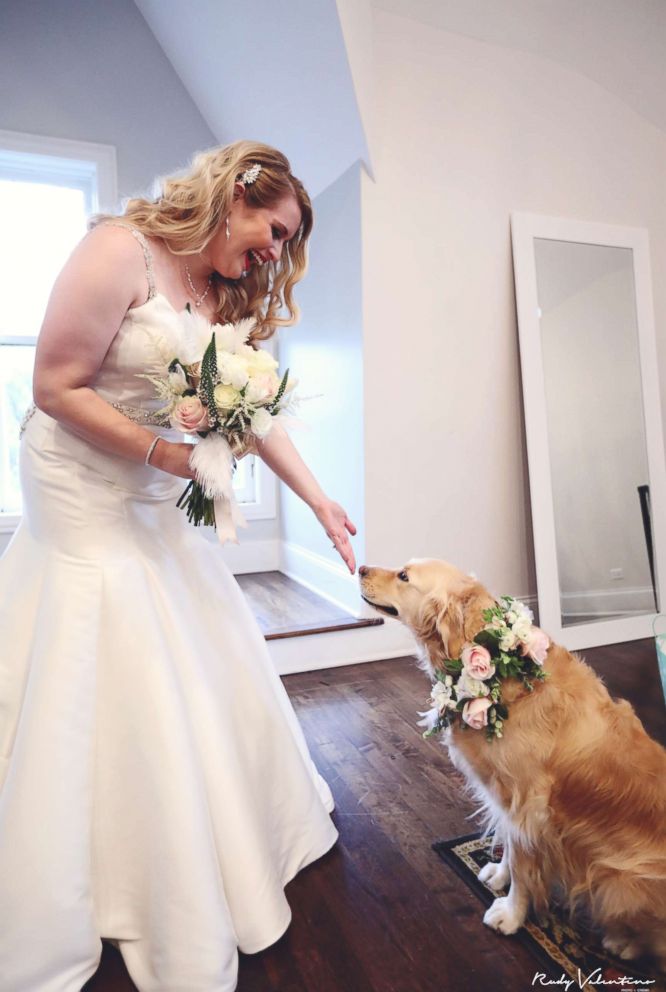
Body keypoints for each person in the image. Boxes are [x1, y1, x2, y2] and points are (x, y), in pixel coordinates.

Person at [0, 140, 356, 992]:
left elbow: (253, 413)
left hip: (156, 487)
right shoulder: (118, 249)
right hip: (81, 482)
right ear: (237, 195)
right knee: (102, 627)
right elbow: (55, 385)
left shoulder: (222, 289)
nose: (276, 252)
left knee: (187, 624)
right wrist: (166, 454)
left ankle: (211, 820)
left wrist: (318, 501)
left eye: (286, 242)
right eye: (275, 229)